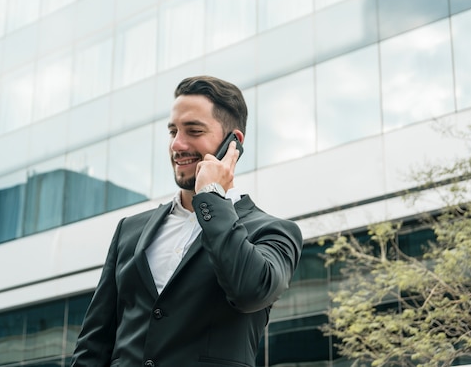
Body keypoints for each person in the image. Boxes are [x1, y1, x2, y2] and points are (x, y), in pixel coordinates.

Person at [71, 75, 303, 367]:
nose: (177, 145)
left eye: (193, 131)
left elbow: (249, 292)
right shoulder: (129, 230)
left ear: (234, 142)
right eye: (173, 131)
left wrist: (210, 194)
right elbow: (94, 343)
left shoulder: (273, 232)